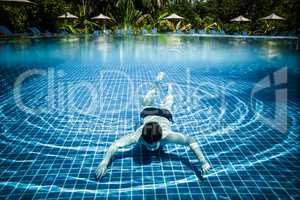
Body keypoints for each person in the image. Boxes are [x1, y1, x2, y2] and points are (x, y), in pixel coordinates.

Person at [96, 72, 211, 179]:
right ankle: (156, 83)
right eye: (148, 144)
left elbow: (191, 141)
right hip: (149, 113)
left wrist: (203, 162)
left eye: (153, 144)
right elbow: (115, 145)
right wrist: (104, 163)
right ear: (142, 138)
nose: (151, 148)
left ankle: (169, 89)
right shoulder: (137, 136)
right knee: (151, 95)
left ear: (160, 137)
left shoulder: (167, 136)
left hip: (164, 115)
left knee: (168, 102)